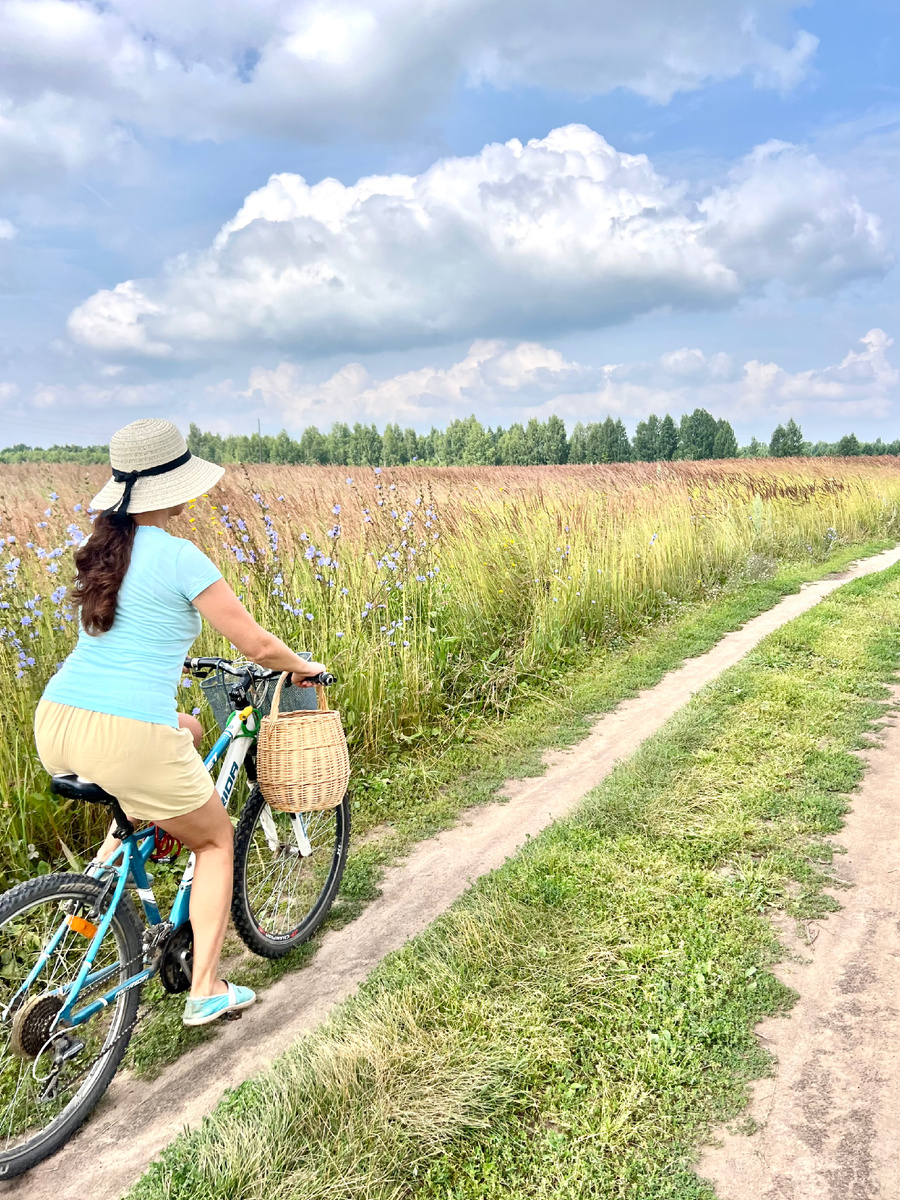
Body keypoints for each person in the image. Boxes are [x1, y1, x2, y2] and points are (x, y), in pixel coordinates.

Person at [33, 418, 326, 1026]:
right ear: (177, 489)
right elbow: (255, 643)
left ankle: (87, 914)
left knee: (186, 730)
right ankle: (206, 990)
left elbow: (120, 653)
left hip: (58, 720)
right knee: (216, 839)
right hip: (124, 735)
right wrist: (301, 667)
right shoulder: (180, 555)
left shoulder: (105, 552)